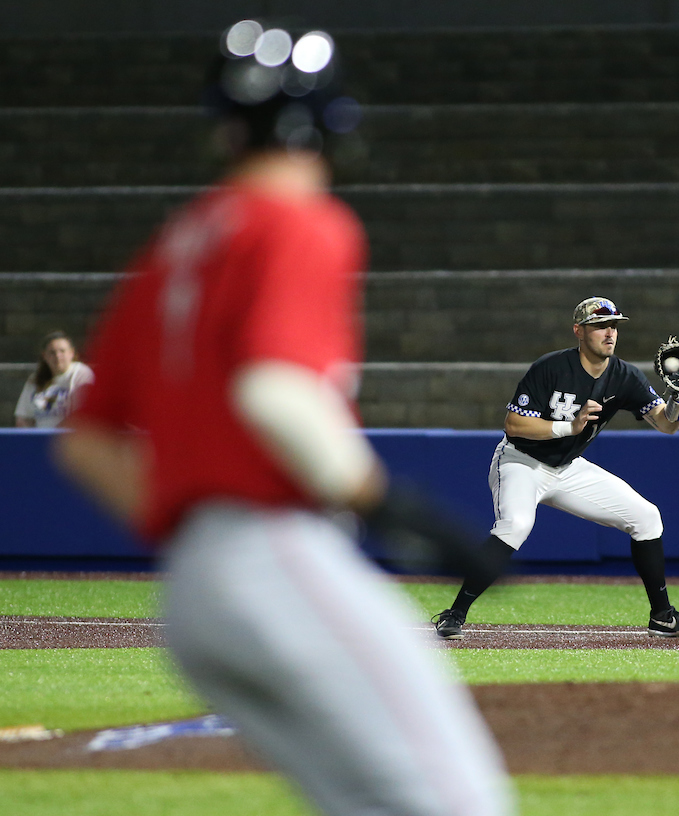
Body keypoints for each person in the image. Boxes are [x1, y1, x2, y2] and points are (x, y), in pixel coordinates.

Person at [52, 20, 512, 816]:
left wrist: (194, 529)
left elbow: (87, 443)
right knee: (457, 802)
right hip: (278, 552)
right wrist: (382, 502)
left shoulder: (178, 242)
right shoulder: (299, 222)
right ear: (327, 127)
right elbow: (275, 392)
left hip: (192, 591)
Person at [432, 296, 679, 640]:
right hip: (521, 461)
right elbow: (513, 424)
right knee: (515, 525)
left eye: (614, 326)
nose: (609, 333)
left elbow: (666, 425)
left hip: (567, 468)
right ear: (579, 331)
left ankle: (663, 616)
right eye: (599, 326)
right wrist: (568, 428)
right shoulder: (551, 368)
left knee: (647, 517)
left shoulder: (624, 376)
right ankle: (454, 614)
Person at [14, 331, 95, 428]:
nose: (57, 356)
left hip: (68, 438)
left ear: (71, 353)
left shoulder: (82, 374)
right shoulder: (35, 379)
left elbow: (82, 415)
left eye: (62, 351)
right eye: (52, 352)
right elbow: (23, 417)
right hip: (38, 439)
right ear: (44, 355)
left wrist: (53, 435)